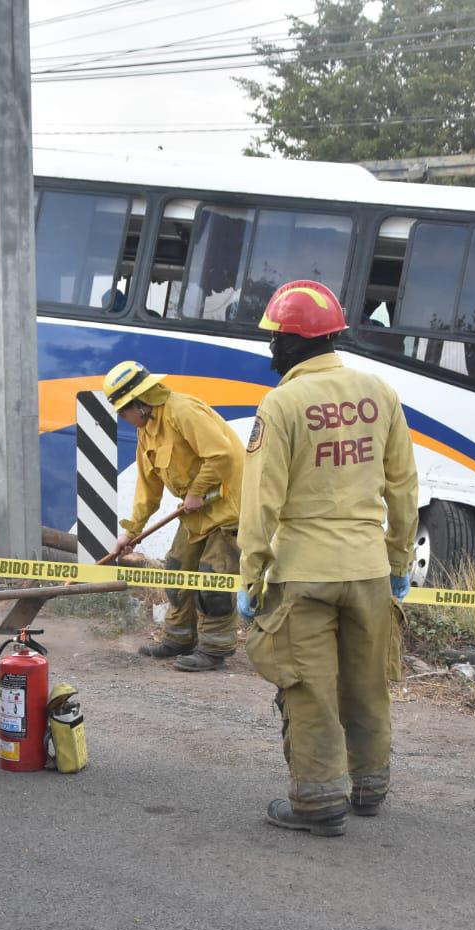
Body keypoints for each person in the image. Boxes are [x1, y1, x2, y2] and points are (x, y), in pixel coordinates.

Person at [238, 280, 418, 836]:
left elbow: (260, 499)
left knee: (309, 687)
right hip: (367, 569)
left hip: (303, 574)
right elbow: (404, 487)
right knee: (366, 683)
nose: (270, 349)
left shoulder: (282, 403)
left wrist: (250, 575)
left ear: (295, 342)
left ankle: (318, 801)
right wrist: (399, 563)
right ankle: (368, 786)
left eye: (275, 339)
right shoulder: (379, 393)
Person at [105, 359, 244, 672]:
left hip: (228, 509)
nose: (122, 418)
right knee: (176, 570)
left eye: (122, 411)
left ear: (138, 404)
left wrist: (195, 491)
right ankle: (179, 638)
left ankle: (214, 650)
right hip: (195, 513)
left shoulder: (182, 411)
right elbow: (148, 491)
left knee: (213, 579)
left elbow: (221, 455)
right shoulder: (147, 433)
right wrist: (131, 532)